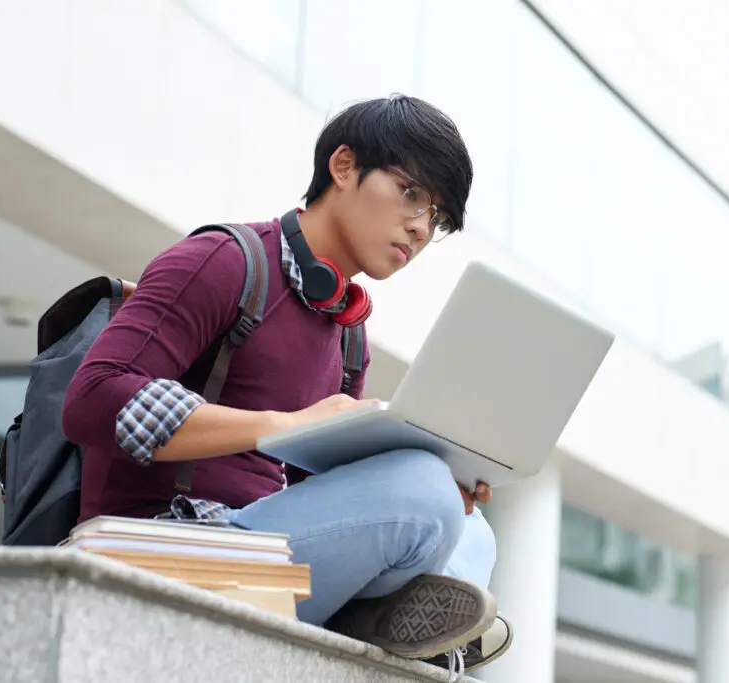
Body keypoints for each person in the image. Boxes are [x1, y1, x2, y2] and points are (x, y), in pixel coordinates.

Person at [61, 95, 512, 673]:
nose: (422, 228)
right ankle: (366, 616)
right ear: (344, 166)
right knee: (422, 492)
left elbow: (321, 488)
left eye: (438, 217)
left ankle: (377, 614)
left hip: (269, 553)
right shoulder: (225, 260)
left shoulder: (347, 333)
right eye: (412, 194)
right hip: (166, 547)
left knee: (468, 521)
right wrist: (282, 426)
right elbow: (94, 396)